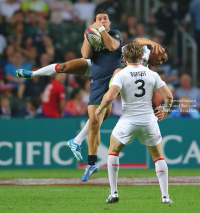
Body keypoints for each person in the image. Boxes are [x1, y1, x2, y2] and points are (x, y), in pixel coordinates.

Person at [16, 37, 169, 164]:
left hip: (107, 78)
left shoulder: (145, 68)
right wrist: (152, 43)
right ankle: (32, 74)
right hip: (99, 65)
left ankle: (76, 141)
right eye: (162, 58)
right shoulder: (146, 51)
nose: (161, 62)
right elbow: (137, 40)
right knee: (64, 67)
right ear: (157, 50)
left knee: (101, 112)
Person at [95, 43, 173, 204]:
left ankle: (114, 193)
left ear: (124, 58)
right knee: (158, 157)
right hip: (148, 121)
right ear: (142, 57)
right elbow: (169, 96)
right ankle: (165, 197)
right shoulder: (151, 74)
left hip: (128, 121)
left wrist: (100, 108)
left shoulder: (121, 74)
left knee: (113, 151)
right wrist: (165, 109)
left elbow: (110, 96)